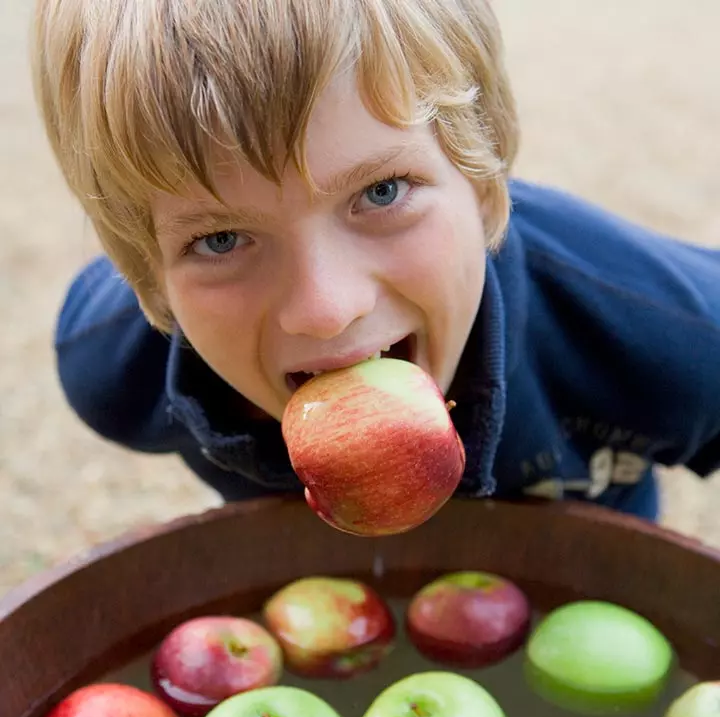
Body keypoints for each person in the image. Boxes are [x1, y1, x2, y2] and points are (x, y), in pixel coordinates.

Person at [31, 0, 720, 522]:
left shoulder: (655, 331)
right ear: (152, 278)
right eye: (221, 240)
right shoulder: (114, 370)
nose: (327, 310)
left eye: (381, 192)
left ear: (482, 184)